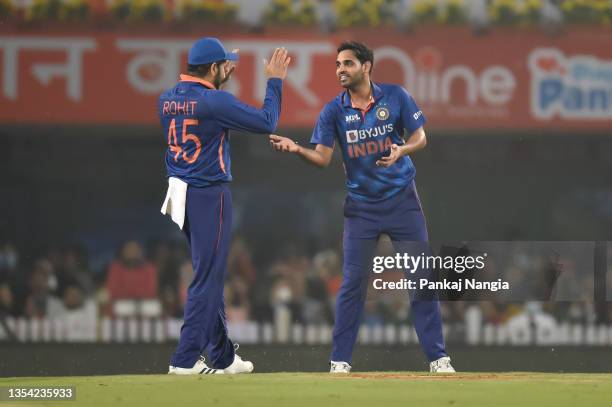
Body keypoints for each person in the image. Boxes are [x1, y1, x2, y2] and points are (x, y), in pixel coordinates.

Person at [269, 41, 454, 373]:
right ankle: (339, 361)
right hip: (361, 209)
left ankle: (438, 359)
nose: (341, 69)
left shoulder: (396, 96)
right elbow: (323, 158)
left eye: (348, 64)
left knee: (421, 278)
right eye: (338, 64)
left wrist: (402, 151)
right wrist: (296, 148)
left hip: (403, 201)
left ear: (366, 66)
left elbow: (421, 137)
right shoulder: (333, 111)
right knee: (353, 282)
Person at [159, 37, 290, 375]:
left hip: (179, 192)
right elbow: (266, 122)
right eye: (225, 65)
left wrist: (219, 75)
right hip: (208, 193)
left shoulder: (167, 98)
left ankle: (223, 358)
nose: (230, 68)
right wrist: (274, 80)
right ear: (213, 67)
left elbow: (200, 109)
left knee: (210, 273)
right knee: (209, 278)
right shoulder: (214, 101)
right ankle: (184, 360)